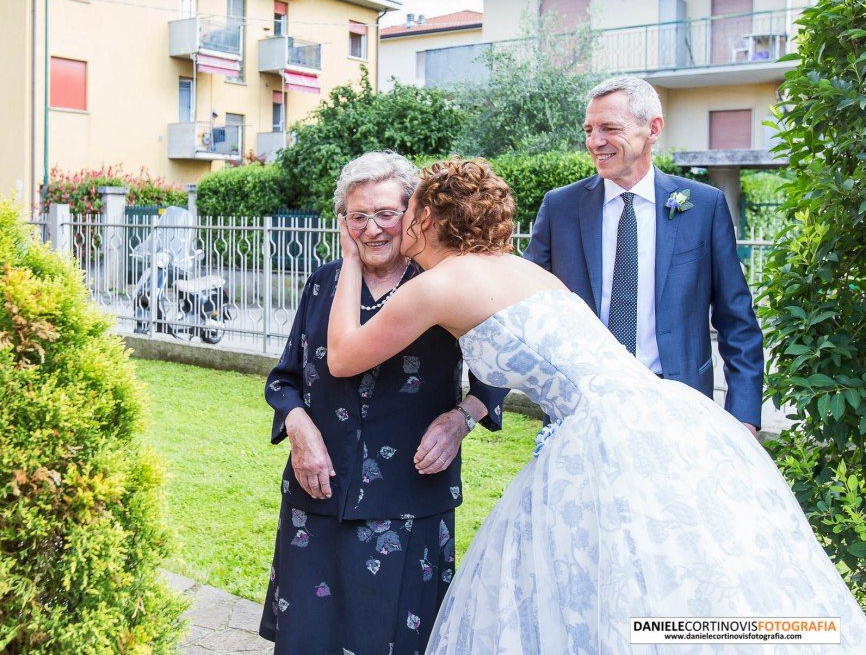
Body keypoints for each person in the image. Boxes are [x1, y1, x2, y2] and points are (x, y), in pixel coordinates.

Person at [326, 160, 866, 653]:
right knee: (671, 570)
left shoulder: (440, 284)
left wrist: (350, 261)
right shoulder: (522, 270)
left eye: (408, 207)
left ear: (427, 215)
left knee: (599, 580)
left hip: (605, 434)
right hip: (664, 413)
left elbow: (345, 357)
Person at [259, 152, 508, 653]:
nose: (372, 230)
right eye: (358, 217)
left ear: (414, 215)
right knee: (309, 638)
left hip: (409, 499)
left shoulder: (444, 285)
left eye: (386, 214)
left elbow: (498, 375)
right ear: (343, 222)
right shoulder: (324, 282)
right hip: (319, 494)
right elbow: (284, 378)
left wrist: (462, 418)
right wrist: (300, 428)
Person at [525, 76, 764, 435]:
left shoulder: (703, 206)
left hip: (679, 407)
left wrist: (743, 417)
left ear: (652, 129)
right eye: (589, 130)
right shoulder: (560, 207)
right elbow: (523, 306)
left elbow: (737, 320)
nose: (595, 142)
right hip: (581, 407)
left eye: (609, 128)